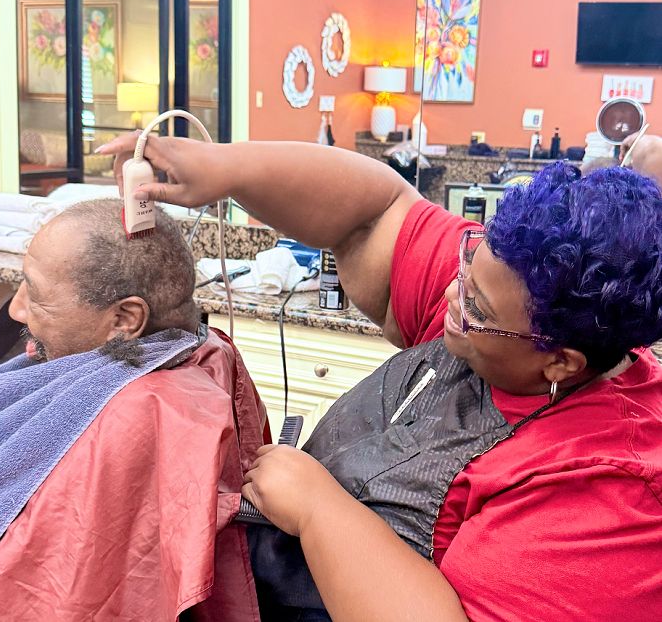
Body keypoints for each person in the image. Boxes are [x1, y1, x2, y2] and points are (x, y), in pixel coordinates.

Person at [98, 133, 662, 622]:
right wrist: (230, 169)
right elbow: (374, 210)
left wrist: (321, 512)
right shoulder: (512, 286)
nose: (450, 295)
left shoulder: (612, 500)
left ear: (561, 362)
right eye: (466, 266)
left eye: (477, 309)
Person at [0, 199, 266, 621]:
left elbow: (32, 595)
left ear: (125, 320)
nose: (17, 309)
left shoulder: (144, 413)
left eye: (35, 296)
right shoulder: (203, 353)